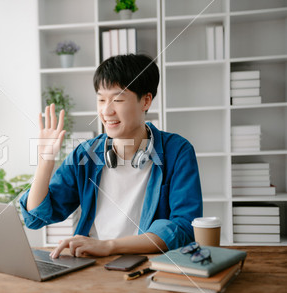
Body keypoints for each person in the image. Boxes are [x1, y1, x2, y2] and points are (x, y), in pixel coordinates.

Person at [19, 53, 202, 259]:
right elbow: (35, 218)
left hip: (145, 264)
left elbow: (184, 227)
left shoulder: (177, 151)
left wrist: (109, 246)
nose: (106, 111)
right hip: (90, 262)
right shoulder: (86, 153)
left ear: (146, 101)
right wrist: (45, 161)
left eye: (118, 100)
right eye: (101, 100)